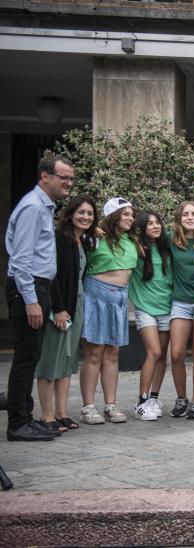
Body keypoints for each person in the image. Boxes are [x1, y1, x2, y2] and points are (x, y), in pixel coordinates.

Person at [6, 154, 73, 441]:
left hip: (39, 287)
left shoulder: (44, 207)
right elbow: (20, 260)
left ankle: (25, 417)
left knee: (31, 356)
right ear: (45, 176)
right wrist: (31, 300)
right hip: (30, 288)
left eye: (71, 178)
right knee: (25, 357)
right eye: (64, 178)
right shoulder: (33, 208)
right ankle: (17, 424)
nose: (69, 183)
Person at [33, 194, 95, 435]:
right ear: (69, 214)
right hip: (59, 306)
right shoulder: (59, 238)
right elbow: (53, 276)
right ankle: (46, 414)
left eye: (90, 213)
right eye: (81, 212)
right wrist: (59, 309)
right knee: (51, 360)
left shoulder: (83, 241)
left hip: (77, 304)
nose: (85, 217)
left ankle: (61, 412)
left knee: (68, 362)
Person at [79, 197, 138, 425]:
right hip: (96, 295)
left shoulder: (132, 241)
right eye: (125, 214)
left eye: (131, 214)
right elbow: (67, 232)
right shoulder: (93, 238)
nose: (130, 218)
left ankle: (110, 405)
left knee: (113, 353)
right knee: (94, 353)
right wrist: (91, 228)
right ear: (113, 216)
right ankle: (88, 406)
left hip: (120, 299)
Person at [166, 201, 194, 420]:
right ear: (179, 218)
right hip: (180, 303)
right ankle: (181, 398)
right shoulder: (171, 240)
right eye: (185, 214)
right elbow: (145, 237)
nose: (190, 217)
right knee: (176, 353)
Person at [129, 211, 174, 421]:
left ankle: (154, 398)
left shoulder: (167, 247)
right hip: (145, 307)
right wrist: (134, 239)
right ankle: (141, 401)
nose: (155, 226)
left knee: (162, 354)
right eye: (149, 224)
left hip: (166, 307)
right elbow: (116, 235)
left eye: (158, 222)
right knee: (153, 352)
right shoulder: (137, 248)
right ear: (141, 228)